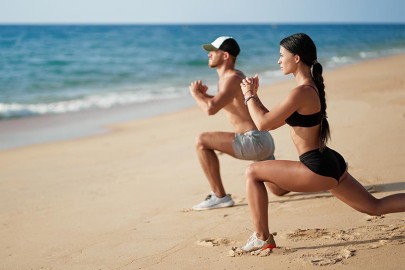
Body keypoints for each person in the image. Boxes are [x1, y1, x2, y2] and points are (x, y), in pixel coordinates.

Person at [239, 33, 405, 252]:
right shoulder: (309, 88)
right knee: (375, 206)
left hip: (315, 167)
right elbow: (272, 120)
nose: (278, 61)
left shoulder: (301, 92)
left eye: (281, 55)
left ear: (296, 58)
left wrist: (249, 95)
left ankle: (262, 238)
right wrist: (254, 96)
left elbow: (262, 124)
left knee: (252, 172)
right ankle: (263, 235)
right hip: (330, 161)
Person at [189, 36, 282, 211]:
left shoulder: (231, 78)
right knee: (278, 189)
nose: (209, 55)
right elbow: (222, 102)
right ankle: (311, 180)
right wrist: (204, 95)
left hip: (253, 140)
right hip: (262, 141)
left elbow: (210, 109)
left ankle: (219, 196)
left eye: (213, 51)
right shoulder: (231, 77)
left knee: (202, 141)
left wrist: (196, 94)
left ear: (225, 56)